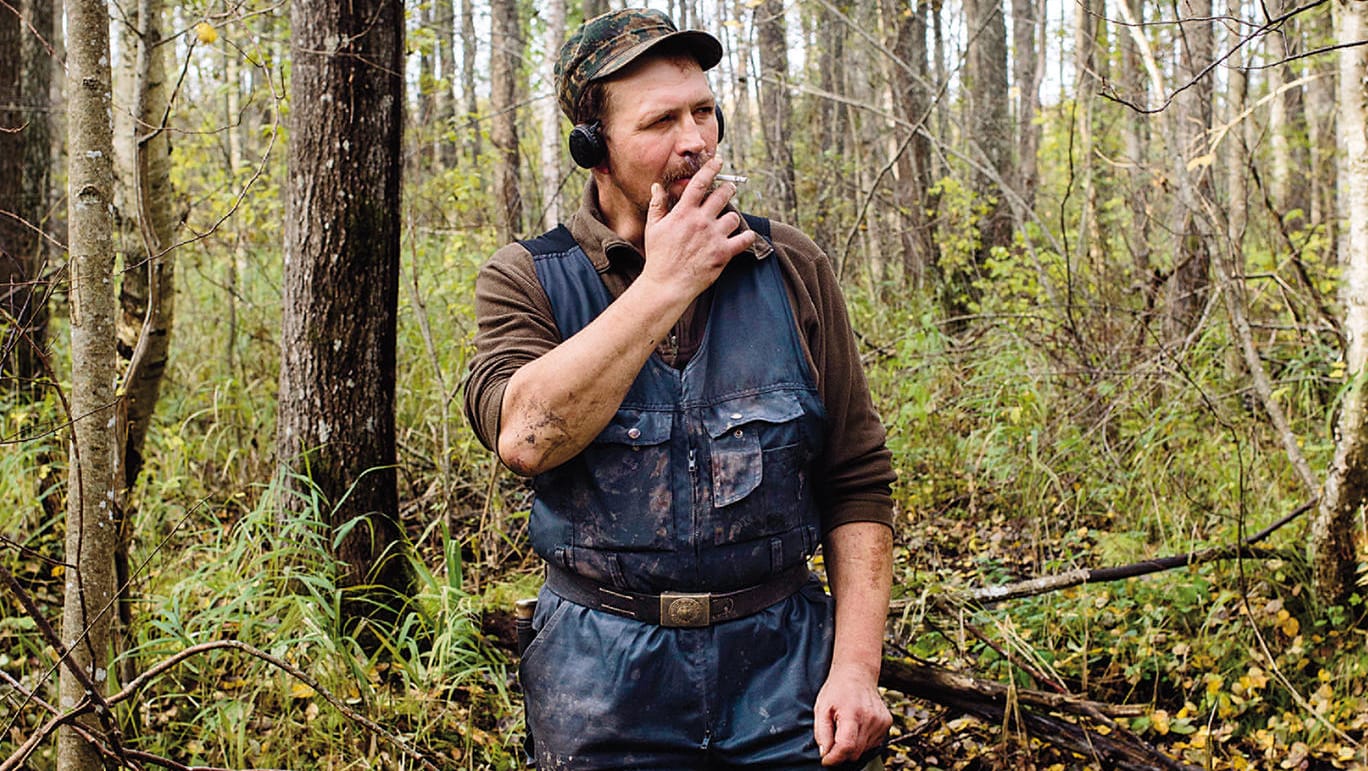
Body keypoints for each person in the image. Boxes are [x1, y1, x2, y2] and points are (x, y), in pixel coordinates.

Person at [463, 8, 896, 769]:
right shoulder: (526, 278)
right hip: (600, 679)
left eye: (703, 111)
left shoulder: (790, 264)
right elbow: (526, 437)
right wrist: (663, 282)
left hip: (783, 667)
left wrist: (855, 668)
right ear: (593, 148)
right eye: (661, 120)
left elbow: (857, 481)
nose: (694, 139)